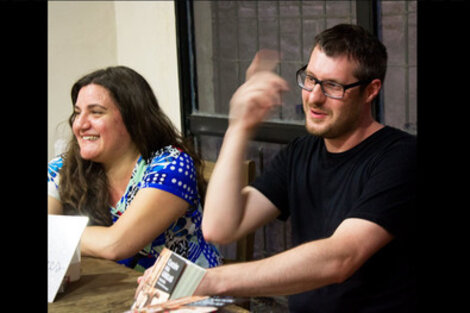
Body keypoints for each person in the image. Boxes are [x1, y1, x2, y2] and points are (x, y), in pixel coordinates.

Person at [196, 24, 416, 312]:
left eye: (333, 86)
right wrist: (239, 126)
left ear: (370, 90)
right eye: (310, 79)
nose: (313, 96)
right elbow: (219, 228)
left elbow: (341, 258)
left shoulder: (402, 157)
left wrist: (216, 280)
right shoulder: (300, 152)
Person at [48, 66, 221, 272]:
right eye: (77, 113)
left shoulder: (171, 165)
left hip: (184, 295)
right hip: (111, 292)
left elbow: (115, 245)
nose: (80, 124)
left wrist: (56, 234)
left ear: (133, 118)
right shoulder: (64, 167)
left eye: (96, 112)